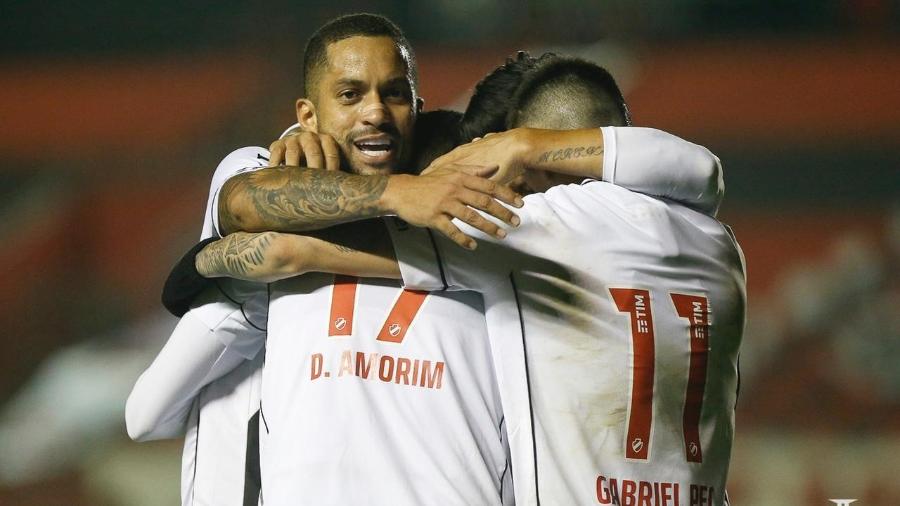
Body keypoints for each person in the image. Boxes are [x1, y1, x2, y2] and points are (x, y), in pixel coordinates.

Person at [129, 19, 723, 504]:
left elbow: (268, 241)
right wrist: (402, 191)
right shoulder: (716, 246)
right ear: (307, 114)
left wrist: (221, 275)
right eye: (350, 94)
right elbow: (699, 170)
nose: (375, 112)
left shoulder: (501, 240)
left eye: (394, 95)